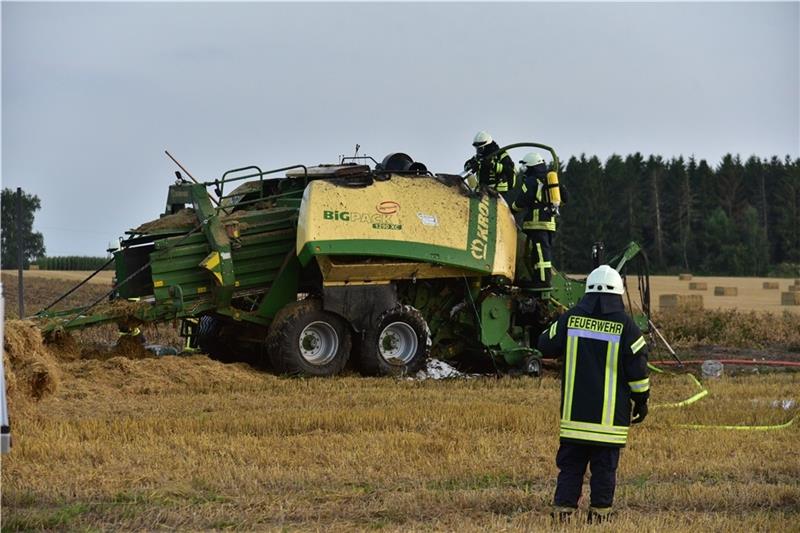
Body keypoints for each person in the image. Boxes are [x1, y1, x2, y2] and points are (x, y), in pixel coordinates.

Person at [537, 265, 650, 524]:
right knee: (604, 470)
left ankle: (562, 514)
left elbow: (545, 344)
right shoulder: (628, 328)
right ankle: (599, 517)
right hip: (609, 423)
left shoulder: (571, 318)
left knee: (571, 467)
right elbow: (638, 373)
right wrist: (642, 401)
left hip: (574, 418)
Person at [511, 152, 559, 290]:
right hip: (548, 223)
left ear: (531, 166)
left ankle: (542, 281)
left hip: (537, 223)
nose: (524, 170)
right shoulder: (548, 180)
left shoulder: (532, 181)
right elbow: (564, 197)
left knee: (540, 252)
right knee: (540, 252)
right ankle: (538, 278)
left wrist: (511, 210)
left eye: (526, 167)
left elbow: (522, 200)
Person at [463, 131, 516, 199]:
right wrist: (470, 165)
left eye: (480, 148)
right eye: (477, 149)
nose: (478, 151)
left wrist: (493, 165)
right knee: (470, 175)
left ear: (487, 146)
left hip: (499, 192)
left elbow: (509, 169)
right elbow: (467, 166)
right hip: (483, 191)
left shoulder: (501, 154)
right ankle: (473, 192)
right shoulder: (479, 157)